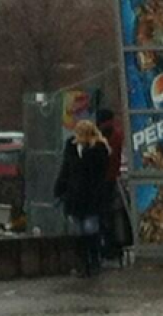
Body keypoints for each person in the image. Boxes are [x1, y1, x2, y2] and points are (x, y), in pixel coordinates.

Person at [54, 120, 110, 277]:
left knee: (90, 229)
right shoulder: (71, 147)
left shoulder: (98, 149)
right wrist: (59, 190)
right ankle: (83, 263)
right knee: (79, 231)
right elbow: (65, 170)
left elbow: (98, 173)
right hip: (74, 197)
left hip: (91, 196)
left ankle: (94, 261)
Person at [96, 109, 133, 265]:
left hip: (102, 181)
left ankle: (108, 248)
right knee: (111, 215)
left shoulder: (100, 138)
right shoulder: (116, 136)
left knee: (104, 217)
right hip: (111, 180)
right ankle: (114, 246)